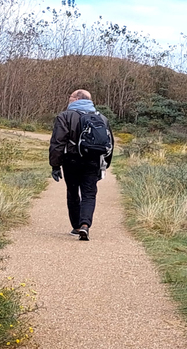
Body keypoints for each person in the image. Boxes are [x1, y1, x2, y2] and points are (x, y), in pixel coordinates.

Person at [49, 89, 114, 241]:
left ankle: (76, 227)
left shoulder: (65, 116)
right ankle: (85, 225)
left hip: (71, 160)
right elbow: (110, 143)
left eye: (70, 96)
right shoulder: (102, 118)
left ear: (77, 98)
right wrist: (104, 166)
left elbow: (57, 143)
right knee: (89, 194)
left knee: (73, 192)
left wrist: (55, 166)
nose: (68, 98)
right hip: (93, 160)